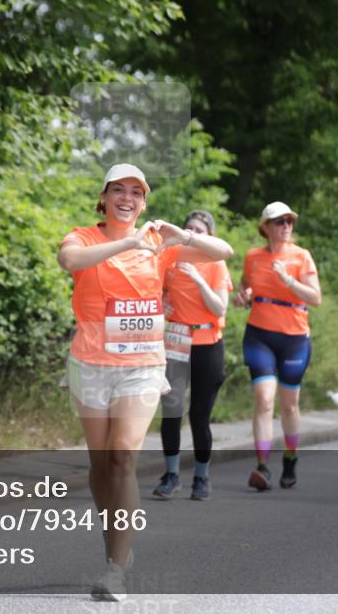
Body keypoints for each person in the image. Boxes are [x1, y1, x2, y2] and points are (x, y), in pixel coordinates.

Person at [57, 164, 232, 601]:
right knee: (100, 466)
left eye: (136, 192)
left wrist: (182, 235)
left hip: (142, 365)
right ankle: (116, 538)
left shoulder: (159, 243)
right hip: (91, 363)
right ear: (103, 197)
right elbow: (68, 261)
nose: (127, 198)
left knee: (122, 458)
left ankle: (115, 570)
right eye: (118, 190)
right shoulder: (84, 236)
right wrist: (127, 243)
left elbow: (223, 251)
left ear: (144, 202)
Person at [234, 202, 322, 491]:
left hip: (294, 339)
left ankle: (290, 457)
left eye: (289, 221)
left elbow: (315, 298)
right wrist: (243, 295)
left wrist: (288, 279)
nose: (286, 226)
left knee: (289, 405)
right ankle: (262, 466)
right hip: (259, 335)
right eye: (280, 221)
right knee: (263, 400)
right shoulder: (253, 256)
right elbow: (245, 285)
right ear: (266, 226)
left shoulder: (301, 256)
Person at [153, 210, 232, 501]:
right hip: (176, 341)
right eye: (189, 228)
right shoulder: (172, 257)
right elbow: (155, 292)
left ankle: (201, 476)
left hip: (207, 342)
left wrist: (198, 279)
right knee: (172, 409)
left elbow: (220, 308)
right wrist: (161, 304)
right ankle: (171, 474)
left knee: (200, 415)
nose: (193, 233)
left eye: (199, 230)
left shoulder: (216, 263)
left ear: (209, 236)